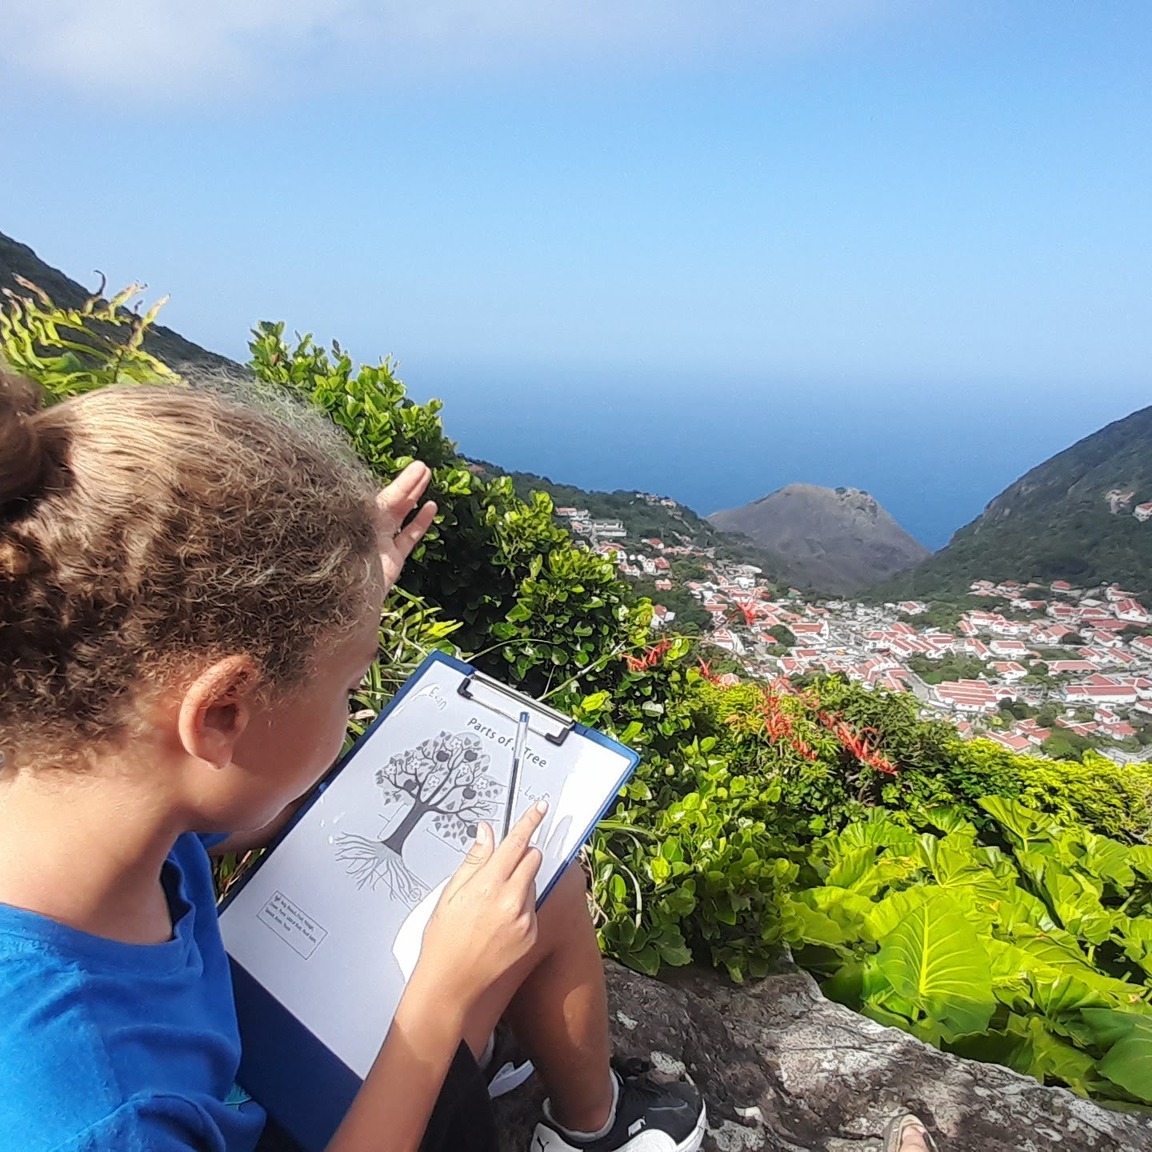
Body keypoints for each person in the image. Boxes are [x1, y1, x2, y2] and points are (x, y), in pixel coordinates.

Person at [0, 371, 706, 1152]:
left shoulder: (76, 786)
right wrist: (440, 996)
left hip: (230, 1066)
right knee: (527, 881)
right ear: (224, 711)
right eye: (348, 683)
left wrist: (331, 591)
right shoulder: (96, 1117)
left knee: (520, 871)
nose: (353, 704)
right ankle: (590, 1128)